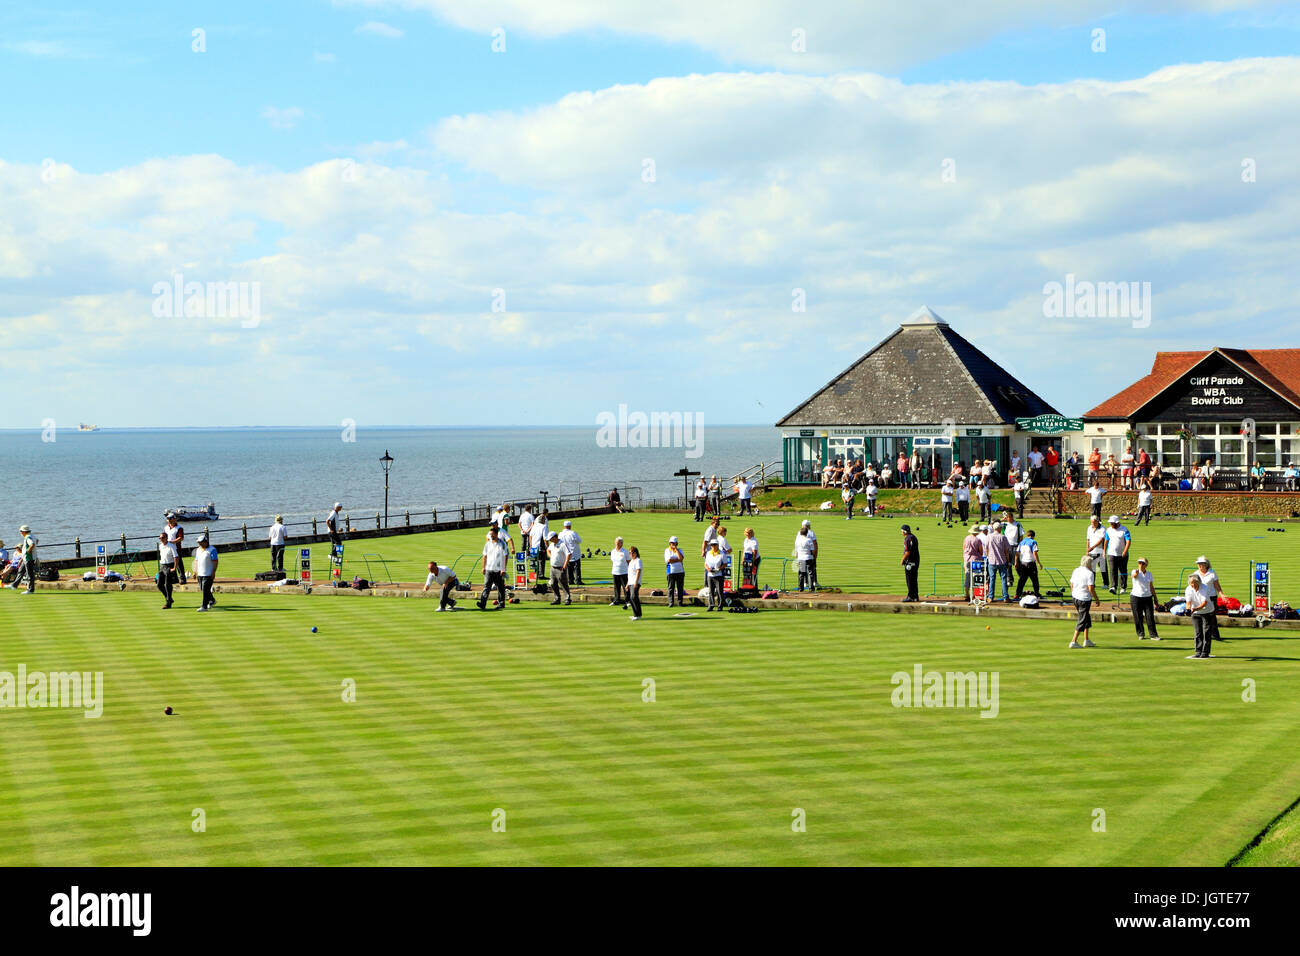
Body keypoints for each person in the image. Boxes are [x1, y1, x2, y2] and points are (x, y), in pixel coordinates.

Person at [1068, 556, 1099, 649]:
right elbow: (1091, 588)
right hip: (1084, 599)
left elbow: (1071, 584)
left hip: (1075, 597)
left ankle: (1086, 640)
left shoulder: (1076, 570)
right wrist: (1097, 599)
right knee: (1082, 619)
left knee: (1086, 618)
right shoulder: (1090, 573)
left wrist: (1074, 592)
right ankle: (1073, 641)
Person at [1194, 555, 1223, 646]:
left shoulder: (1212, 572)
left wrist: (1221, 594)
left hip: (1211, 597)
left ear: (1206, 564)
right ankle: (1203, 635)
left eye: (1202, 564)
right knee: (1201, 616)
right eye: (1199, 564)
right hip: (1201, 598)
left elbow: (1216, 585)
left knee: (1212, 617)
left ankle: (1215, 635)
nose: (1200, 565)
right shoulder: (1195, 574)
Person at [478, 526, 509, 610]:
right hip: (489, 569)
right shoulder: (487, 544)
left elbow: (505, 556)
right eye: (490, 534)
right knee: (486, 587)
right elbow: (484, 556)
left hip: (499, 569)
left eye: (492, 534)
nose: (491, 536)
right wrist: (483, 567)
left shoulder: (502, 544)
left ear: (496, 534)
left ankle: (501, 603)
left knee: (500, 587)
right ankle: (483, 603)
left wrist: (503, 569)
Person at [1184, 573, 1214, 659]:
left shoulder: (1205, 588)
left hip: (1207, 611)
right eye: (1191, 583)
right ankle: (1198, 651)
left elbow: (1204, 603)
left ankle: (1205, 652)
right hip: (1195, 613)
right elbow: (1188, 602)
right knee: (1197, 632)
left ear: (1199, 582)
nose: (1193, 585)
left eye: (1194, 583)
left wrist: (1195, 609)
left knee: (1206, 632)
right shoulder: (1188, 589)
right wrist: (1188, 610)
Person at [1130, 557, 1159, 640]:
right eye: (1139, 563)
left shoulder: (1149, 574)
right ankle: (1140, 634)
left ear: (1146, 565)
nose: (1140, 565)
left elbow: (1151, 587)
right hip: (1135, 597)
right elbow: (1134, 576)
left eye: (1142, 563)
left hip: (1147, 597)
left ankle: (1153, 635)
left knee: (1150, 616)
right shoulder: (1135, 571)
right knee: (1138, 617)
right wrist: (1136, 573)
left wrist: (1155, 599)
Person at [985, 521, 1012, 603]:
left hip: (992, 561)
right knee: (1003, 579)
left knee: (992, 579)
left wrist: (988, 557)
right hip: (1002, 561)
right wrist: (1008, 560)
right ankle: (1005, 597)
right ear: (1000, 529)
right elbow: (1006, 551)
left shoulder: (989, 537)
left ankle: (990, 597)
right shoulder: (1003, 537)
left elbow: (986, 549)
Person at [1104, 515, 1131, 595]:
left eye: (1113, 523)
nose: (1111, 525)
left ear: (1117, 523)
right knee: (1112, 571)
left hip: (1123, 554)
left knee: (1123, 571)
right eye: (1111, 523)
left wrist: (1125, 551)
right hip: (1111, 553)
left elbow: (1128, 541)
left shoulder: (1124, 530)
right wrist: (1104, 551)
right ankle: (1113, 587)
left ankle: (1123, 587)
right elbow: (1106, 541)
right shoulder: (1108, 530)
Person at [193, 533, 219, 611]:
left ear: (205, 541)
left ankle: (204, 607)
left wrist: (213, 572)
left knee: (205, 590)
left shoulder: (212, 549)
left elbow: (215, 561)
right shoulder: (198, 550)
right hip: (200, 573)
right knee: (203, 589)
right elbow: (196, 561)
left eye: (201, 542)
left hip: (208, 574)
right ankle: (212, 600)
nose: (199, 544)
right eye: (199, 543)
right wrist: (194, 571)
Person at [1014, 530, 1042, 600]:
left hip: (1023, 563)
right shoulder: (1033, 542)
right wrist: (1039, 563)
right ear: (1033, 536)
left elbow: (1017, 554)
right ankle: (1036, 593)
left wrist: (1016, 563)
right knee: (1035, 580)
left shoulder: (1021, 542)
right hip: (1031, 563)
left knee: (1022, 580)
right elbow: (1034, 553)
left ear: (1027, 535)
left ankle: (1017, 594)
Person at [546, 531, 571, 605]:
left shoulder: (563, 544)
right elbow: (548, 550)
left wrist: (565, 565)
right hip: (553, 567)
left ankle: (567, 599)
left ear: (555, 537)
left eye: (551, 539)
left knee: (563, 584)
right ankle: (557, 599)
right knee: (553, 583)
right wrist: (551, 556)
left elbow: (569, 554)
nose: (550, 540)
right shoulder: (552, 544)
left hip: (560, 567)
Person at [1085, 515, 1108, 590]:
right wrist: (1087, 550)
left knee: (1102, 568)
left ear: (1097, 521)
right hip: (1091, 552)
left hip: (1100, 551)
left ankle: (1106, 583)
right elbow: (1088, 540)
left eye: (1094, 522)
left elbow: (1101, 540)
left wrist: (1092, 547)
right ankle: (1092, 584)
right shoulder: (1089, 528)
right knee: (1092, 569)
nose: (1092, 524)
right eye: (1091, 522)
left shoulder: (1102, 528)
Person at [962, 525, 984, 602]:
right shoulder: (978, 540)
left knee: (967, 577)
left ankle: (967, 594)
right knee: (976, 577)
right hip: (976, 559)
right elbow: (981, 551)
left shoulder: (966, 538)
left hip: (967, 559)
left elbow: (964, 548)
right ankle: (975, 595)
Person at [156, 532, 178, 609]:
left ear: (166, 538)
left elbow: (176, 557)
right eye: (160, 538)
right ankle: (169, 599)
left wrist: (174, 568)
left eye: (162, 538)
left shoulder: (171, 546)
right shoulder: (160, 546)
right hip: (162, 566)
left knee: (168, 584)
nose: (161, 539)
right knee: (159, 584)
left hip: (169, 565)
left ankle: (168, 603)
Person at [794, 520, 818, 591]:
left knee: (801, 573)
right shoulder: (809, 539)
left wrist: (797, 556)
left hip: (801, 558)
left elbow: (796, 549)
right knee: (810, 572)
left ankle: (801, 588)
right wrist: (814, 556)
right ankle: (811, 587)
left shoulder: (797, 540)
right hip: (808, 557)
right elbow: (813, 549)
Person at [900, 524, 921, 602]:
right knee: (914, 579)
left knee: (909, 579)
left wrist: (902, 560)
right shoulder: (913, 537)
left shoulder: (907, 539)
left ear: (904, 531)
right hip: (916, 560)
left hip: (910, 562)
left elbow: (907, 552)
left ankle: (910, 596)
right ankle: (915, 596)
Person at [16, 525, 39, 595]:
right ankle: (30, 589)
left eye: (21, 531)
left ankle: (30, 590)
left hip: (29, 558)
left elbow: (32, 544)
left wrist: (28, 550)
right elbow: (37, 541)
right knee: (29, 573)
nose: (20, 532)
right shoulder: (32, 535)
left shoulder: (27, 537)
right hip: (31, 557)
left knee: (30, 574)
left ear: (23, 531)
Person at [704, 541, 727, 611]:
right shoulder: (708, 553)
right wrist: (708, 568)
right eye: (712, 545)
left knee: (719, 591)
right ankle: (711, 605)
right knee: (711, 591)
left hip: (718, 575)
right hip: (710, 575)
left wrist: (719, 569)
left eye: (714, 545)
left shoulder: (722, 553)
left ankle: (720, 606)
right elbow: (705, 564)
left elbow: (725, 564)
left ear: (717, 545)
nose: (713, 546)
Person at [165, 512, 187, 585]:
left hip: (176, 548)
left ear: (174, 519)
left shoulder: (179, 528)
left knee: (179, 564)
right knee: (171, 563)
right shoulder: (166, 528)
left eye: (171, 518)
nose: (169, 520)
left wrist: (172, 542)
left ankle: (182, 578)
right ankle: (174, 578)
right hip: (168, 548)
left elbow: (181, 538)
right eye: (168, 519)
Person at [664, 536, 686, 607]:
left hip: (680, 571)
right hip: (671, 572)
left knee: (680, 588)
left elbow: (681, 558)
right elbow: (669, 560)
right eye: (671, 543)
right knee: (671, 588)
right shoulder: (667, 550)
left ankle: (680, 602)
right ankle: (671, 602)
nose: (673, 544)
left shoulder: (679, 550)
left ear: (677, 543)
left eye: (674, 543)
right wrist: (678, 560)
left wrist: (676, 550)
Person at [559, 520, 582, 586]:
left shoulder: (560, 534)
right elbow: (579, 541)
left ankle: (570, 580)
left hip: (566, 553)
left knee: (569, 567)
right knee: (577, 567)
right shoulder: (573, 533)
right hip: (574, 552)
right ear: (570, 526)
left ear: (564, 526)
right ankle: (578, 581)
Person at [610, 537, 630, 607]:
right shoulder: (613, 551)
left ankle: (627, 601)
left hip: (624, 572)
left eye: (621, 542)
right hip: (615, 572)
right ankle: (616, 600)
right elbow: (613, 561)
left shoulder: (625, 551)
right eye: (618, 542)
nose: (619, 544)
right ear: (615, 543)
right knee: (616, 587)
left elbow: (628, 562)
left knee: (625, 587)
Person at [627, 546, 644, 621]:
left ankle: (638, 615)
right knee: (631, 598)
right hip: (631, 582)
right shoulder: (631, 562)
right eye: (630, 553)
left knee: (634, 597)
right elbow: (630, 574)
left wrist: (636, 582)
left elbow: (638, 571)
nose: (631, 554)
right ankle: (635, 614)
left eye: (632, 552)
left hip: (635, 582)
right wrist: (627, 584)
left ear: (636, 553)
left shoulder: (638, 561)